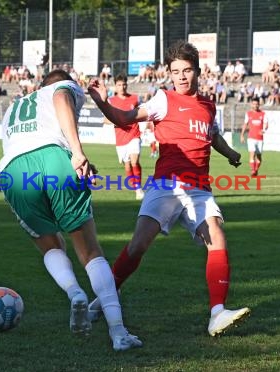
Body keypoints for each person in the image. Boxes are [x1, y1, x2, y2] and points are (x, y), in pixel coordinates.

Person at [87, 40, 250, 337]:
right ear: (169, 74)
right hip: (167, 185)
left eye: (187, 71)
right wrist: (101, 101)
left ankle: (217, 313)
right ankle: (106, 297)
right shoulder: (163, 100)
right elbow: (124, 118)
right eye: (176, 72)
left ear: (198, 72)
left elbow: (212, 137)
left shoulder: (208, 106)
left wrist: (231, 154)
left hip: (199, 189)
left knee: (217, 237)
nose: (182, 77)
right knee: (138, 245)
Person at [0, 69, 142, 352]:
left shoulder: (15, 107)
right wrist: (77, 151)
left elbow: (24, 145)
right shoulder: (62, 88)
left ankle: (74, 292)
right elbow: (62, 97)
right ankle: (119, 332)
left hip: (13, 172)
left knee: (50, 244)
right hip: (53, 159)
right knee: (90, 252)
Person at [107, 74, 145, 200]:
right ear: (115, 86)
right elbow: (105, 120)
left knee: (135, 161)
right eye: (119, 85)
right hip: (120, 138)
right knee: (127, 165)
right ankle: (134, 186)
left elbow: (141, 113)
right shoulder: (111, 101)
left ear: (126, 85)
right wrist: (116, 121)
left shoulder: (134, 99)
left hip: (134, 134)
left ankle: (139, 189)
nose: (122, 87)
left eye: (124, 84)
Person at [240, 99, 268, 177]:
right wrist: (242, 135)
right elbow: (245, 124)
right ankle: (253, 170)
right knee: (252, 154)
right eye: (254, 104)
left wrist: (263, 130)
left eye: (257, 104)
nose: (255, 105)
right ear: (251, 105)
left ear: (259, 105)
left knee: (259, 156)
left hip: (260, 138)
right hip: (251, 138)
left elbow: (266, 124)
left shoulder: (263, 114)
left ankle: (256, 170)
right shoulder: (248, 114)